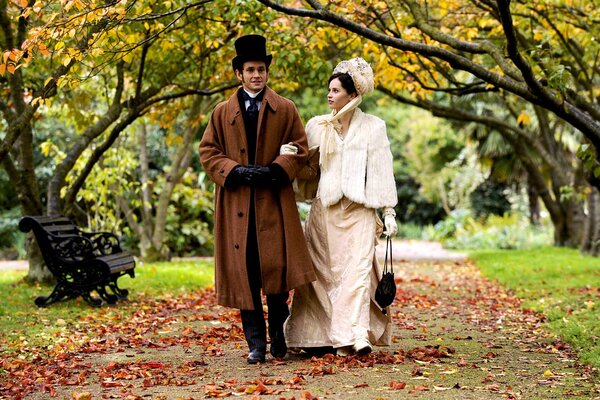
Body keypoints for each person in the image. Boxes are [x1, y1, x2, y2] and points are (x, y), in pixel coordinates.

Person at [198, 34, 316, 364]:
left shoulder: (285, 109)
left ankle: (278, 336)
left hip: (273, 202)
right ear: (239, 73)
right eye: (250, 70)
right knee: (245, 273)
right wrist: (234, 171)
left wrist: (277, 169)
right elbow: (208, 151)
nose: (256, 76)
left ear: (267, 72)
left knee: (276, 271)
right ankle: (255, 344)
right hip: (237, 205)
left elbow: (300, 147)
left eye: (261, 69)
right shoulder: (222, 113)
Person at [283, 57, 398, 356]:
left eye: (335, 90)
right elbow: (306, 171)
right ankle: (321, 337)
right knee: (323, 277)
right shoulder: (318, 126)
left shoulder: (374, 127)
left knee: (357, 275)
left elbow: (383, 170)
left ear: (352, 95)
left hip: (359, 212)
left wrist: (389, 212)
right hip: (325, 212)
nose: (330, 95)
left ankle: (357, 335)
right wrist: (292, 156)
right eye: (329, 90)